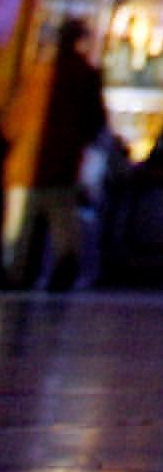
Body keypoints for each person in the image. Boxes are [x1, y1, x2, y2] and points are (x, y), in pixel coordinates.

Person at [4, 20, 106, 289]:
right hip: (62, 161)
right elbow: (95, 121)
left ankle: (16, 270)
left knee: (20, 225)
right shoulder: (85, 74)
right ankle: (64, 265)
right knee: (62, 219)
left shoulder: (38, 72)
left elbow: (14, 118)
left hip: (27, 161)